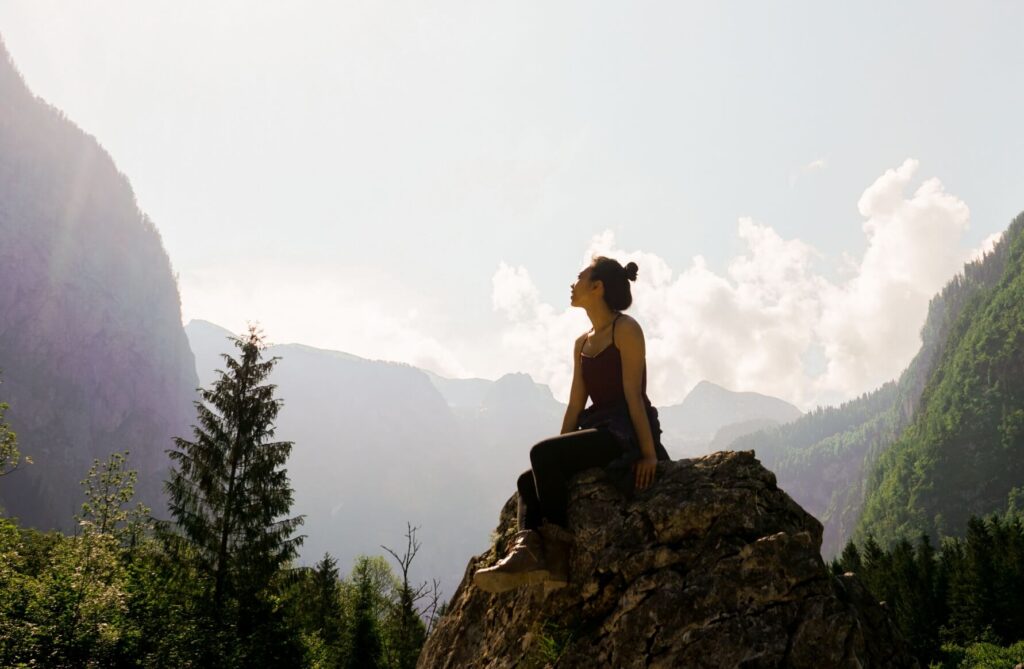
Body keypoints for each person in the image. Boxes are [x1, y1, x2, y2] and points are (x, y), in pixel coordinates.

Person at [473, 256, 671, 594]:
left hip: (624, 433)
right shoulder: (582, 343)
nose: (572, 284)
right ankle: (528, 551)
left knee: (542, 456)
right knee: (529, 478)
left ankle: (555, 557)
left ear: (597, 287)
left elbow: (634, 396)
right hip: (599, 428)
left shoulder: (626, 330)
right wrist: (553, 457)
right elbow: (576, 404)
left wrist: (649, 454)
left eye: (579, 277)